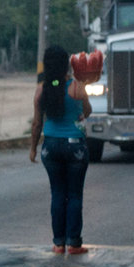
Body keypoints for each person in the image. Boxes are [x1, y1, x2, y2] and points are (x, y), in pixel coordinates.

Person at [30, 45, 93, 254]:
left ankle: (58, 243)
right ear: (66, 64)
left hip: (51, 147)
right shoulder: (76, 86)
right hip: (75, 146)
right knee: (74, 194)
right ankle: (74, 243)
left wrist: (33, 149)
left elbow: (36, 124)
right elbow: (88, 111)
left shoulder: (42, 89)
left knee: (57, 193)